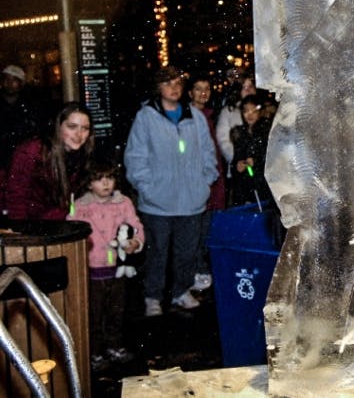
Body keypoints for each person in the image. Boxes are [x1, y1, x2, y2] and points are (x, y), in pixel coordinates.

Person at [124, 66, 219, 316]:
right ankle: (153, 296)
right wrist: (147, 188)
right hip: (157, 203)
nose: (174, 88)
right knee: (157, 254)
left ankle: (180, 291)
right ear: (158, 87)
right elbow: (135, 157)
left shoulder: (195, 117)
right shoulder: (146, 116)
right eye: (168, 83)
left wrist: (204, 183)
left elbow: (209, 153)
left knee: (187, 252)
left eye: (178, 83)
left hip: (191, 201)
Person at [67, 159, 144, 371]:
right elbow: (71, 227)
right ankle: (94, 352)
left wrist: (135, 241)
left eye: (109, 178)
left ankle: (115, 346)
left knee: (116, 310)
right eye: (99, 179)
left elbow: (136, 225)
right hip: (92, 270)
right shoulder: (82, 206)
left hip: (117, 269)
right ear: (89, 183)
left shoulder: (123, 202)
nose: (105, 183)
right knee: (94, 312)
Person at [6, 102, 94, 220]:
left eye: (85, 128)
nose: (79, 134)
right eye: (72, 126)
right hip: (29, 224)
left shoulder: (81, 155)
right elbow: (15, 196)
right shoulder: (32, 151)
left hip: (56, 223)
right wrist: (21, 232)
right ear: (58, 126)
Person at [187, 74, 225, 292]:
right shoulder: (186, 117)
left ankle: (205, 272)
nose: (203, 93)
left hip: (215, 179)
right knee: (196, 230)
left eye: (207, 88)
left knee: (210, 227)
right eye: (198, 88)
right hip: (196, 181)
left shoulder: (213, 115)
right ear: (190, 93)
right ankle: (196, 272)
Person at [0, 64, 46, 215]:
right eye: (7, 79)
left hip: (24, 163)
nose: (10, 83)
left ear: (21, 83)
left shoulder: (31, 105)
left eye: (14, 80)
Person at [216, 72, 256, 205]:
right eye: (244, 87)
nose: (248, 90)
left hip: (259, 170)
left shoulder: (263, 110)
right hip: (238, 170)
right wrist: (238, 158)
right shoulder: (229, 111)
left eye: (251, 86)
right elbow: (223, 140)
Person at [229, 92, 275, 208]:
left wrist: (256, 161)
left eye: (253, 110)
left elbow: (273, 159)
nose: (249, 114)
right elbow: (235, 160)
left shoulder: (267, 131)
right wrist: (237, 166)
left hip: (263, 186)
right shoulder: (240, 134)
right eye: (246, 111)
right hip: (244, 188)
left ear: (260, 111)